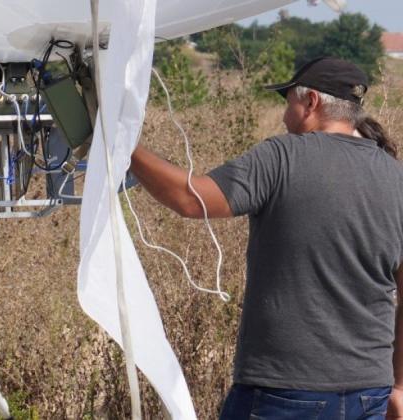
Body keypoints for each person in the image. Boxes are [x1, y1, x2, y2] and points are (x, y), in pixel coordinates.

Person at [129, 57, 403, 419]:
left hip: (284, 390)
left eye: (287, 101)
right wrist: (398, 385)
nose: (285, 115)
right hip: (369, 392)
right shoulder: (394, 176)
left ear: (311, 103)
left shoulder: (282, 157)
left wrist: (124, 150)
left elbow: (190, 198)